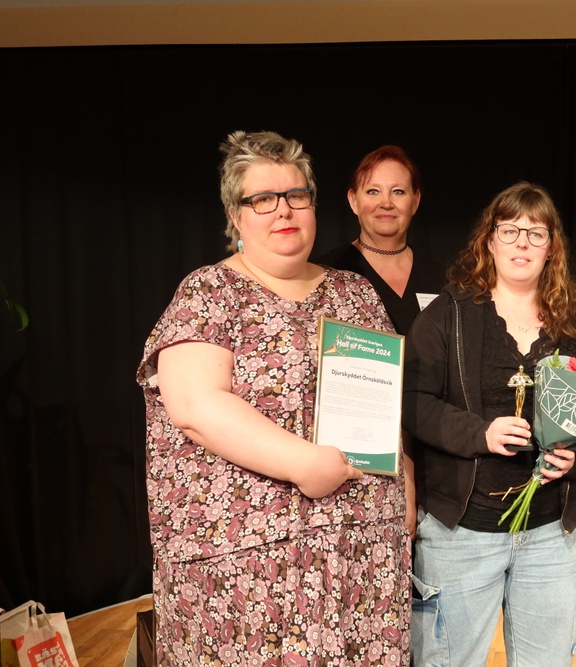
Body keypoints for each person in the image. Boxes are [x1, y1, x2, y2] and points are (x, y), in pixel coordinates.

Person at [136, 131, 411, 665]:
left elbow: (384, 410)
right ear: (235, 215)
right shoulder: (208, 292)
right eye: (262, 199)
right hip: (246, 574)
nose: (283, 210)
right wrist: (305, 463)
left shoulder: (354, 293)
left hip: (360, 560)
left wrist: (404, 499)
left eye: (296, 195)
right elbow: (194, 405)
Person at [402, 182, 576, 666]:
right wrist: (480, 434)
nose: (522, 243)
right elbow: (413, 402)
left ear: (552, 248)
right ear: (489, 240)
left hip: (550, 536)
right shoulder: (448, 316)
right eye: (510, 230)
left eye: (535, 233)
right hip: (464, 533)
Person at [314, 145, 444, 335]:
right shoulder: (324, 273)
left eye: (398, 191)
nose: (386, 203)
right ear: (353, 201)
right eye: (373, 191)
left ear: (415, 202)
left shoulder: (444, 278)